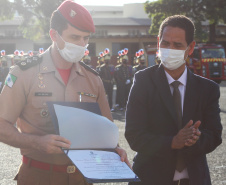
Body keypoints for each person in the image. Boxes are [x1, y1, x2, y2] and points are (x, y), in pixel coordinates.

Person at [0, 1, 129, 185]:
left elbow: (105, 131)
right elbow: (1, 125)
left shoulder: (93, 79)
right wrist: (37, 142)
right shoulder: (24, 73)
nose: (82, 44)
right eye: (75, 37)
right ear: (54, 35)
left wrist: (115, 149)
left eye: (86, 38)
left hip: (81, 178)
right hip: (38, 175)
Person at [125, 15, 222, 185]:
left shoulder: (207, 89)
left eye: (177, 45)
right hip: (150, 178)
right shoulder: (143, 81)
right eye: (165, 43)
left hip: (194, 179)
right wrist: (172, 142)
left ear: (190, 48)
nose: (170, 49)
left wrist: (195, 139)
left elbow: (214, 135)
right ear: (158, 42)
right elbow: (134, 135)